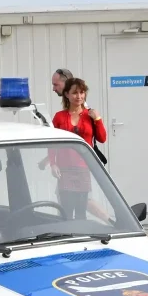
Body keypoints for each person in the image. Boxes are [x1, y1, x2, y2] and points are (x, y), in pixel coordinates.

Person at [48, 77, 108, 220]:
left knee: (81, 210)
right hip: (64, 169)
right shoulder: (59, 117)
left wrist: (98, 120)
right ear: (67, 94)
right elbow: (52, 142)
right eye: (75, 93)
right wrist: (52, 163)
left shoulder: (90, 115)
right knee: (67, 209)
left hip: (83, 168)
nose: (79, 96)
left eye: (82, 93)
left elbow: (102, 138)